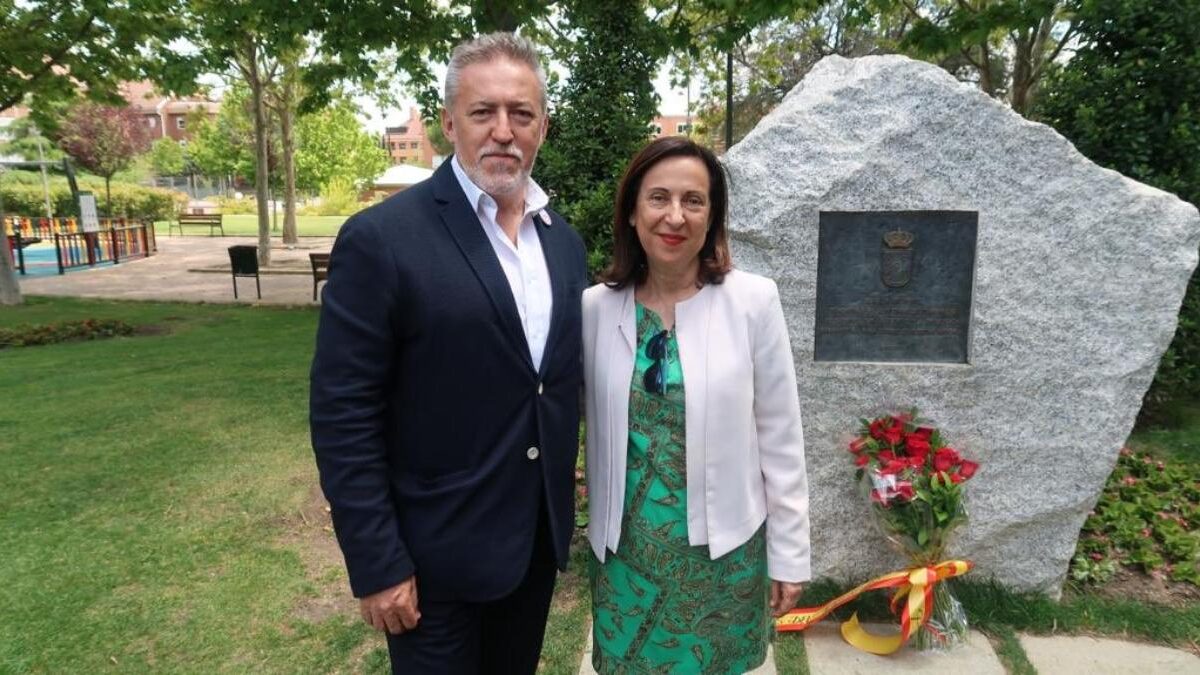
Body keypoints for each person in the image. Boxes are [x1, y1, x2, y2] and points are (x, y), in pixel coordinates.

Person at [309, 32, 587, 674]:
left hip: (532, 550)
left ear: (542, 125)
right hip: (431, 564)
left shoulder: (563, 244)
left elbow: (551, 383)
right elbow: (343, 415)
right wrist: (377, 564)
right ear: (448, 123)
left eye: (521, 114)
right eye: (482, 112)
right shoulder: (382, 239)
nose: (503, 131)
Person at [582, 137, 811, 673]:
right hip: (626, 558)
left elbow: (781, 436)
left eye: (694, 200)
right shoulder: (594, 309)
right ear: (633, 213)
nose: (675, 216)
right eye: (658, 198)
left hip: (724, 552)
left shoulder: (753, 302)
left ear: (712, 217)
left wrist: (790, 555)